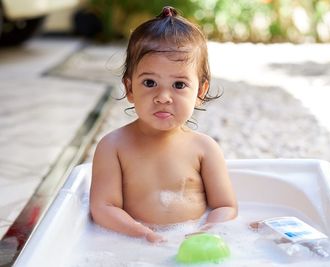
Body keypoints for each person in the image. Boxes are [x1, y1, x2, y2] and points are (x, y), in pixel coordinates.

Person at [89, 6, 237, 243]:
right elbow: (103, 208)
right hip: (132, 243)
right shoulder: (113, 147)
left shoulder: (204, 149)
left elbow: (226, 206)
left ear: (200, 91)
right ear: (129, 89)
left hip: (194, 239)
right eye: (149, 82)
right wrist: (144, 235)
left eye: (179, 85)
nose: (163, 97)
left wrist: (206, 232)